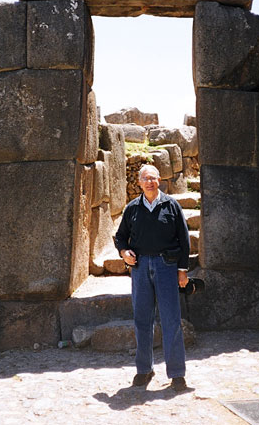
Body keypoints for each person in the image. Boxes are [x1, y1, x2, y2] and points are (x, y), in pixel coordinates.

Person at [114, 164, 191, 392]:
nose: (149, 182)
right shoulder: (132, 209)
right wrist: (123, 253)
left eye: (153, 178)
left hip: (167, 266)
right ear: (139, 182)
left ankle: (177, 373)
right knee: (142, 320)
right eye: (145, 179)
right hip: (140, 268)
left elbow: (184, 239)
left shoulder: (172, 206)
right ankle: (144, 369)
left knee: (171, 320)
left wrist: (183, 270)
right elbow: (121, 238)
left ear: (159, 181)